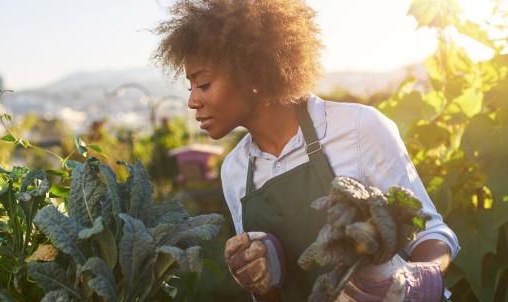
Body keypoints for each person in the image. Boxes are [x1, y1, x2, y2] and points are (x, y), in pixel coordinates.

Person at [152, 0, 460, 300]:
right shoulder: (234, 171)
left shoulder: (358, 128)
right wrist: (262, 282)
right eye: (190, 87)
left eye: (203, 84)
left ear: (253, 73)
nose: (192, 101)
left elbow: (431, 231)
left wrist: (421, 279)